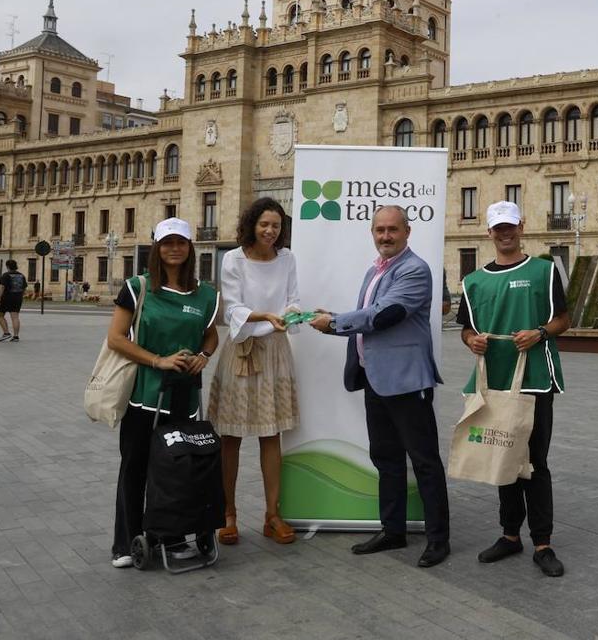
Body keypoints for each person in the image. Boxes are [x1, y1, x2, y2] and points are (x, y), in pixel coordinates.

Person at [310, 206, 450, 568]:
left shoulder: (415, 270)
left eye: (392, 230)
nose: (385, 236)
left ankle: (438, 540)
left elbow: (385, 315)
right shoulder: (377, 269)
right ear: (372, 232)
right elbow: (371, 314)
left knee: (424, 462)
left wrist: (335, 322)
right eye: (379, 230)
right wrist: (333, 317)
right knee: (386, 459)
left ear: (407, 231)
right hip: (376, 379)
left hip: (406, 381)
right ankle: (393, 530)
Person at [458, 201, 570, 578]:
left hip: (536, 379)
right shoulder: (473, 282)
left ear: (521, 226)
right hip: (495, 381)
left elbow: (563, 320)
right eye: (497, 228)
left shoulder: (543, 270)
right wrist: (471, 341)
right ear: (488, 232)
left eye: (510, 226)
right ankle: (509, 535)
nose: (504, 233)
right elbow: (466, 327)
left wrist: (539, 332)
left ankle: (543, 542)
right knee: (503, 459)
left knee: (535, 462)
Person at [106, 218, 220, 568]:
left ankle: (172, 537)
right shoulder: (138, 287)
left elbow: (210, 333)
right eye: (167, 243)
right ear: (157, 247)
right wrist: (158, 360)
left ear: (190, 248)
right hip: (144, 394)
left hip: (183, 397)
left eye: (181, 243)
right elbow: (116, 338)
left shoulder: (205, 294)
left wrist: (203, 355)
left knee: (176, 470)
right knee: (136, 466)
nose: (174, 249)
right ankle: (126, 543)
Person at [207, 198, 302, 547]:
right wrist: (266, 317)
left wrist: (293, 314)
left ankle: (271, 515)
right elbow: (233, 307)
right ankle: (228, 514)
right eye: (264, 224)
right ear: (252, 224)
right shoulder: (233, 259)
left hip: (276, 349)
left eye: (276, 225)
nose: (270, 231)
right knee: (230, 437)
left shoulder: (287, 258)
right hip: (242, 350)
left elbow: (293, 298)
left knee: (270, 434)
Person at [0, 259, 27, 341]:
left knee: (0, 315)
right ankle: (16, 336)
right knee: (15, 317)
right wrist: (21, 295)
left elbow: (2, 287)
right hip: (17, 298)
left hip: (6, 298)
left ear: (7, 266)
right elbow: (24, 288)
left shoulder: (5, 275)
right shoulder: (21, 275)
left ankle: (6, 333)